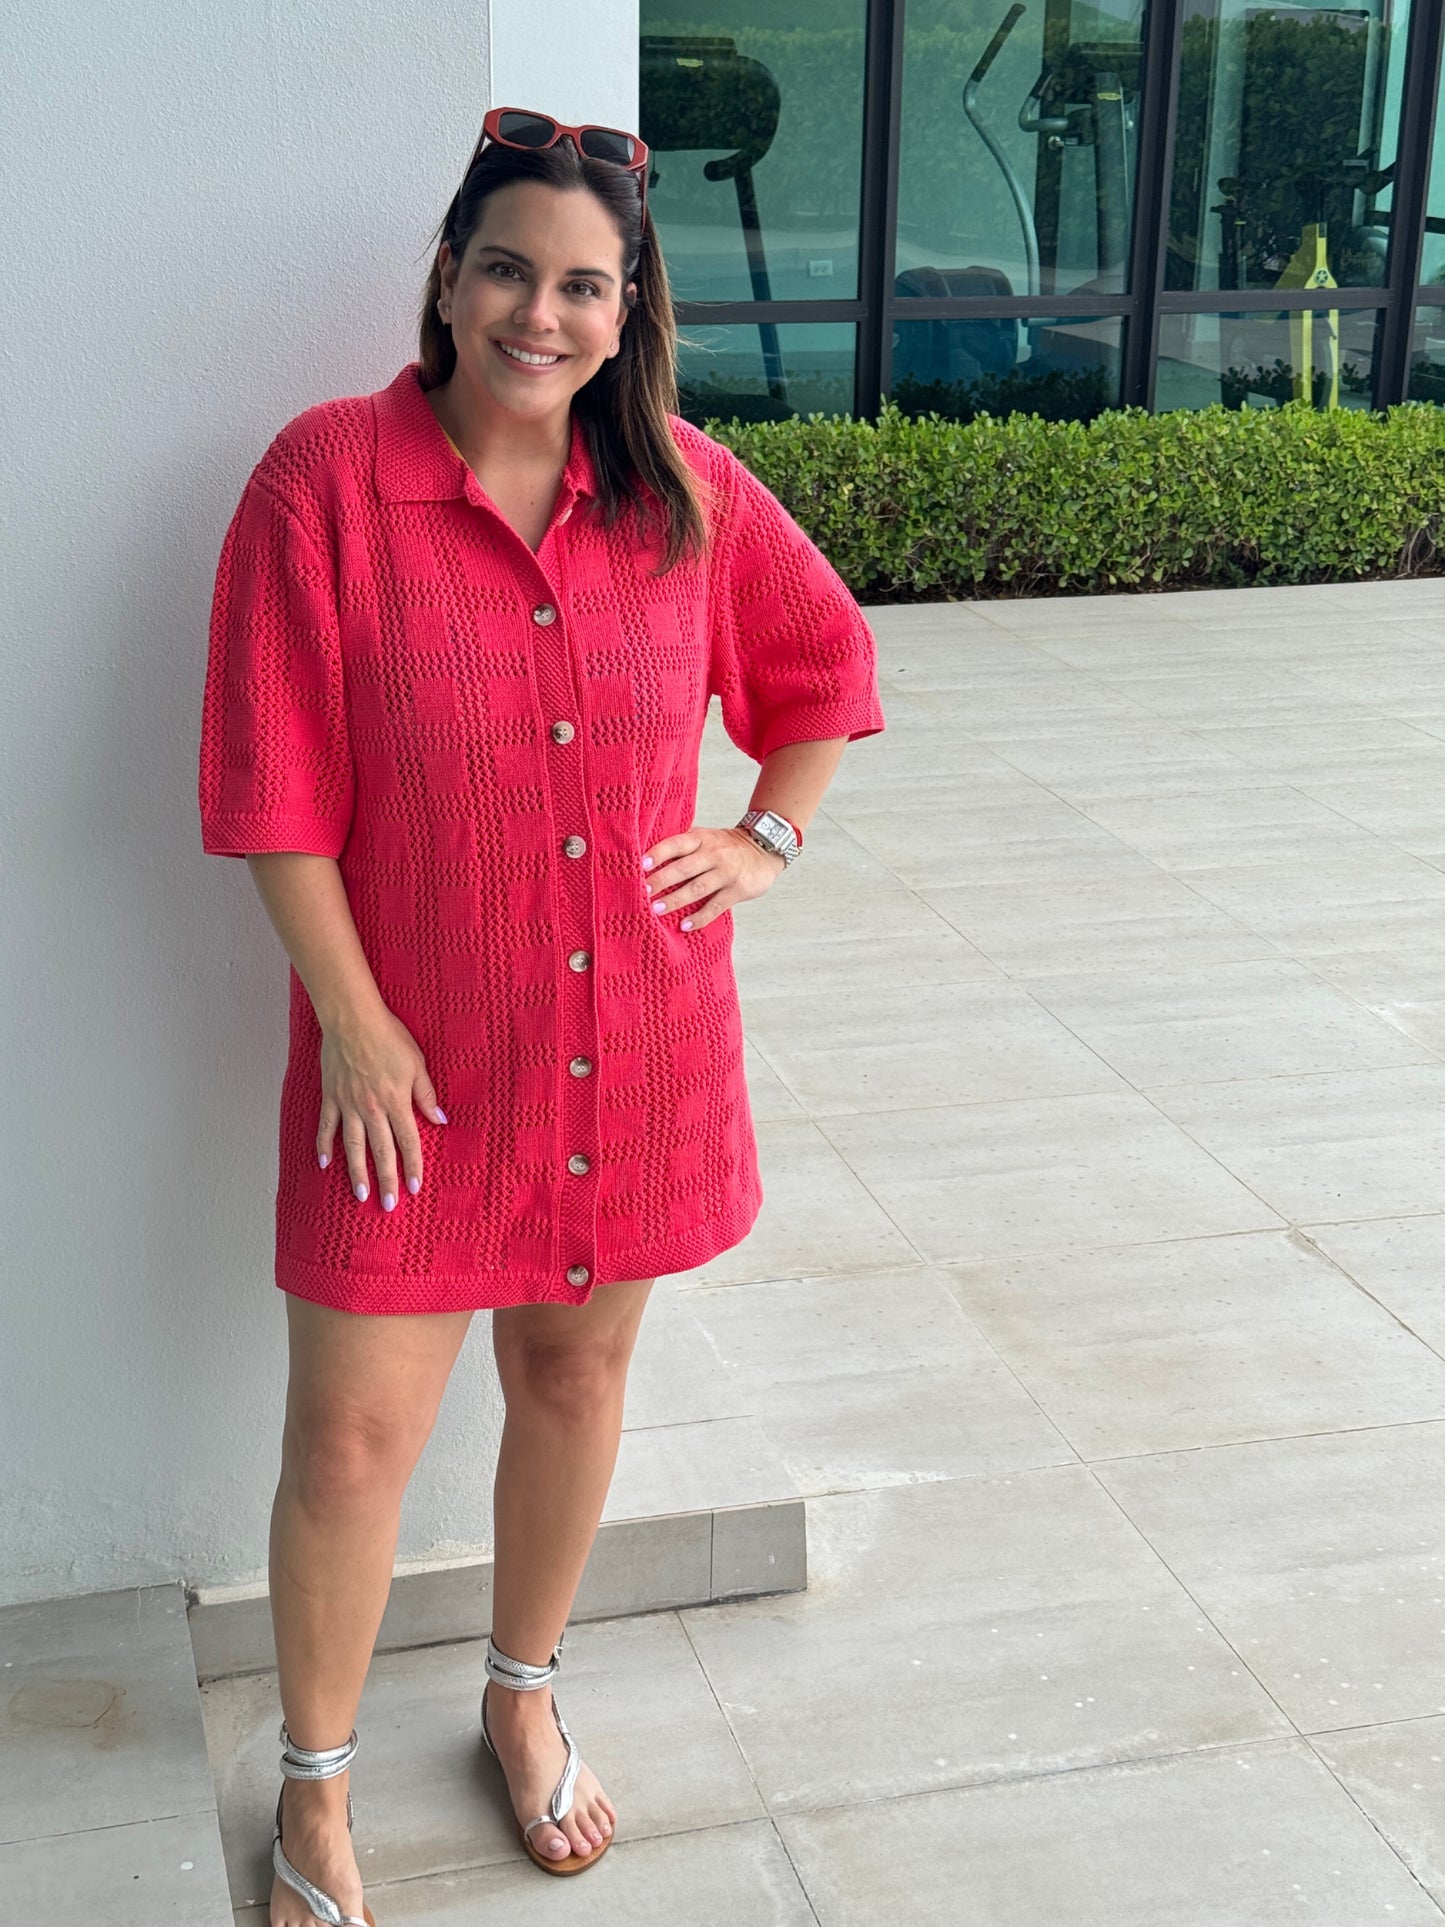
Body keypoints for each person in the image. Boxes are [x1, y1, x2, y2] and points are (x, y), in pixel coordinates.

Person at [197, 104, 885, 1925]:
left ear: (626, 302)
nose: (540, 312)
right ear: (445, 272)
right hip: (399, 1072)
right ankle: (317, 1791)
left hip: (628, 1050)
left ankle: (521, 1700)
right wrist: (350, 1020)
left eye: (584, 282)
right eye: (505, 265)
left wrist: (765, 836)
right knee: (347, 1443)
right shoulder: (322, 482)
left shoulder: (687, 492)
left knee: (572, 1373)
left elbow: (824, 670)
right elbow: (270, 787)